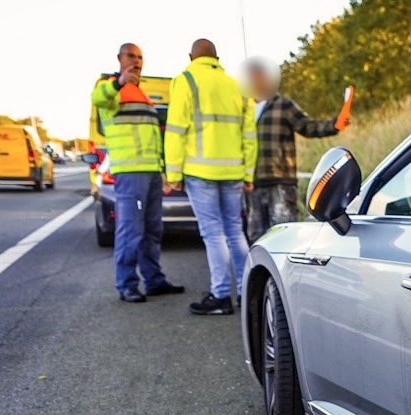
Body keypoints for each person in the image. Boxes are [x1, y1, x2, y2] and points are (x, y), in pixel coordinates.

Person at [163, 39, 256, 316]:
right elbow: (249, 135)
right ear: (217, 57)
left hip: (200, 171)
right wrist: (248, 172)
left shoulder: (186, 80)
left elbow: (176, 130)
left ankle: (220, 296)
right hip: (233, 171)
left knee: (213, 233)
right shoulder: (237, 86)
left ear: (191, 56)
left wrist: (173, 173)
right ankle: (245, 291)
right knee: (234, 230)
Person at [89, 43, 183, 303]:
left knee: (153, 229)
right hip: (130, 173)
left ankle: (154, 281)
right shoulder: (110, 88)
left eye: (140, 57)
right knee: (131, 230)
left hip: (151, 172)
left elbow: (153, 138)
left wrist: (162, 171)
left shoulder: (142, 94)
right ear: (119, 58)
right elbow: (98, 99)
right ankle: (127, 284)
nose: (137, 61)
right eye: (131, 56)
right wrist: (119, 82)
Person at [242, 58, 346, 241]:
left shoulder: (283, 105)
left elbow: (309, 126)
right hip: (253, 183)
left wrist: (335, 125)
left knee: (284, 233)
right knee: (256, 235)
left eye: (259, 77)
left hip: (280, 181)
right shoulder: (243, 108)